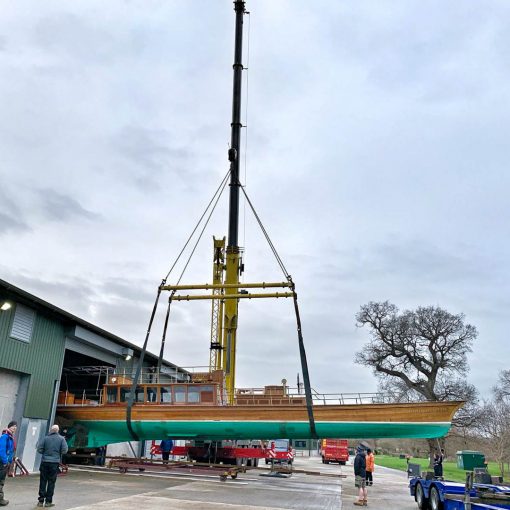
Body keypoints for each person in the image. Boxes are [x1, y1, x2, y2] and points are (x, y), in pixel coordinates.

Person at [37, 424, 68, 508]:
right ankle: (48, 501)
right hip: (54, 463)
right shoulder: (62, 439)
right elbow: (65, 450)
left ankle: (40, 501)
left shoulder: (45, 438)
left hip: (44, 462)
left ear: (51, 430)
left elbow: (39, 449)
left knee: (43, 481)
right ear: (58, 430)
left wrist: (46, 453)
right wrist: (57, 453)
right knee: (51, 482)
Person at [0, 421, 17, 506]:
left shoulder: (10, 437)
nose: (15, 428)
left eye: (16, 426)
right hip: (2, 463)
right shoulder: (5, 437)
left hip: (6, 463)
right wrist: (5, 462)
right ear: (9, 427)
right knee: (0, 481)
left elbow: (10, 451)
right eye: (13, 426)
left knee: (1, 481)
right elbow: (1, 450)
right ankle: (0, 499)